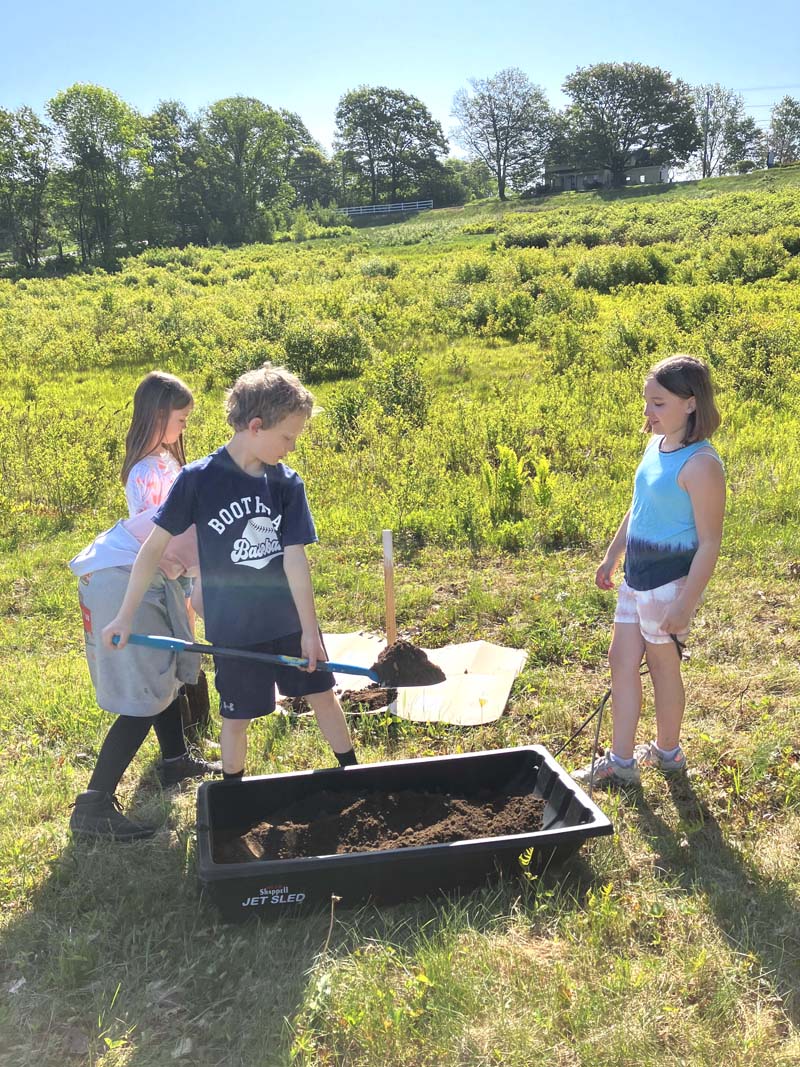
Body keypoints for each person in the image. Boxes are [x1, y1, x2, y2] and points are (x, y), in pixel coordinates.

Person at [101, 363, 357, 782]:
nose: (291, 447)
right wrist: (125, 615)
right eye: (287, 437)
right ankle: (233, 795)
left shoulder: (286, 484)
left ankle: (353, 774)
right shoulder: (198, 480)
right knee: (236, 718)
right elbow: (153, 548)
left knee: (322, 696)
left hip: (287, 622)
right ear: (255, 426)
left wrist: (310, 632)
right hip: (233, 630)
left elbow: (295, 559)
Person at [574, 354, 725, 787]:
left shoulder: (702, 465)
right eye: (646, 402)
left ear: (691, 404)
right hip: (635, 578)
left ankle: (668, 752)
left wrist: (686, 602)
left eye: (659, 403)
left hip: (668, 585)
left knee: (663, 670)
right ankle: (622, 762)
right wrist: (611, 554)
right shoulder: (655, 445)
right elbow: (638, 507)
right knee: (620, 660)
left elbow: (710, 542)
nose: (648, 412)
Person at [69, 510, 222, 841]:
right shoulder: (221, 514)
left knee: (162, 670)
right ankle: (92, 807)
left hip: (133, 570)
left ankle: (176, 760)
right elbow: (202, 598)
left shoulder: (215, 492)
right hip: (119, 575)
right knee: (143, 693)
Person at [122, 371, 194, 517]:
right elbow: (146, 527)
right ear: (160, 415)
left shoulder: (167, 458)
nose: (185, 426)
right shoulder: (142, 473)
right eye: (181, 419)